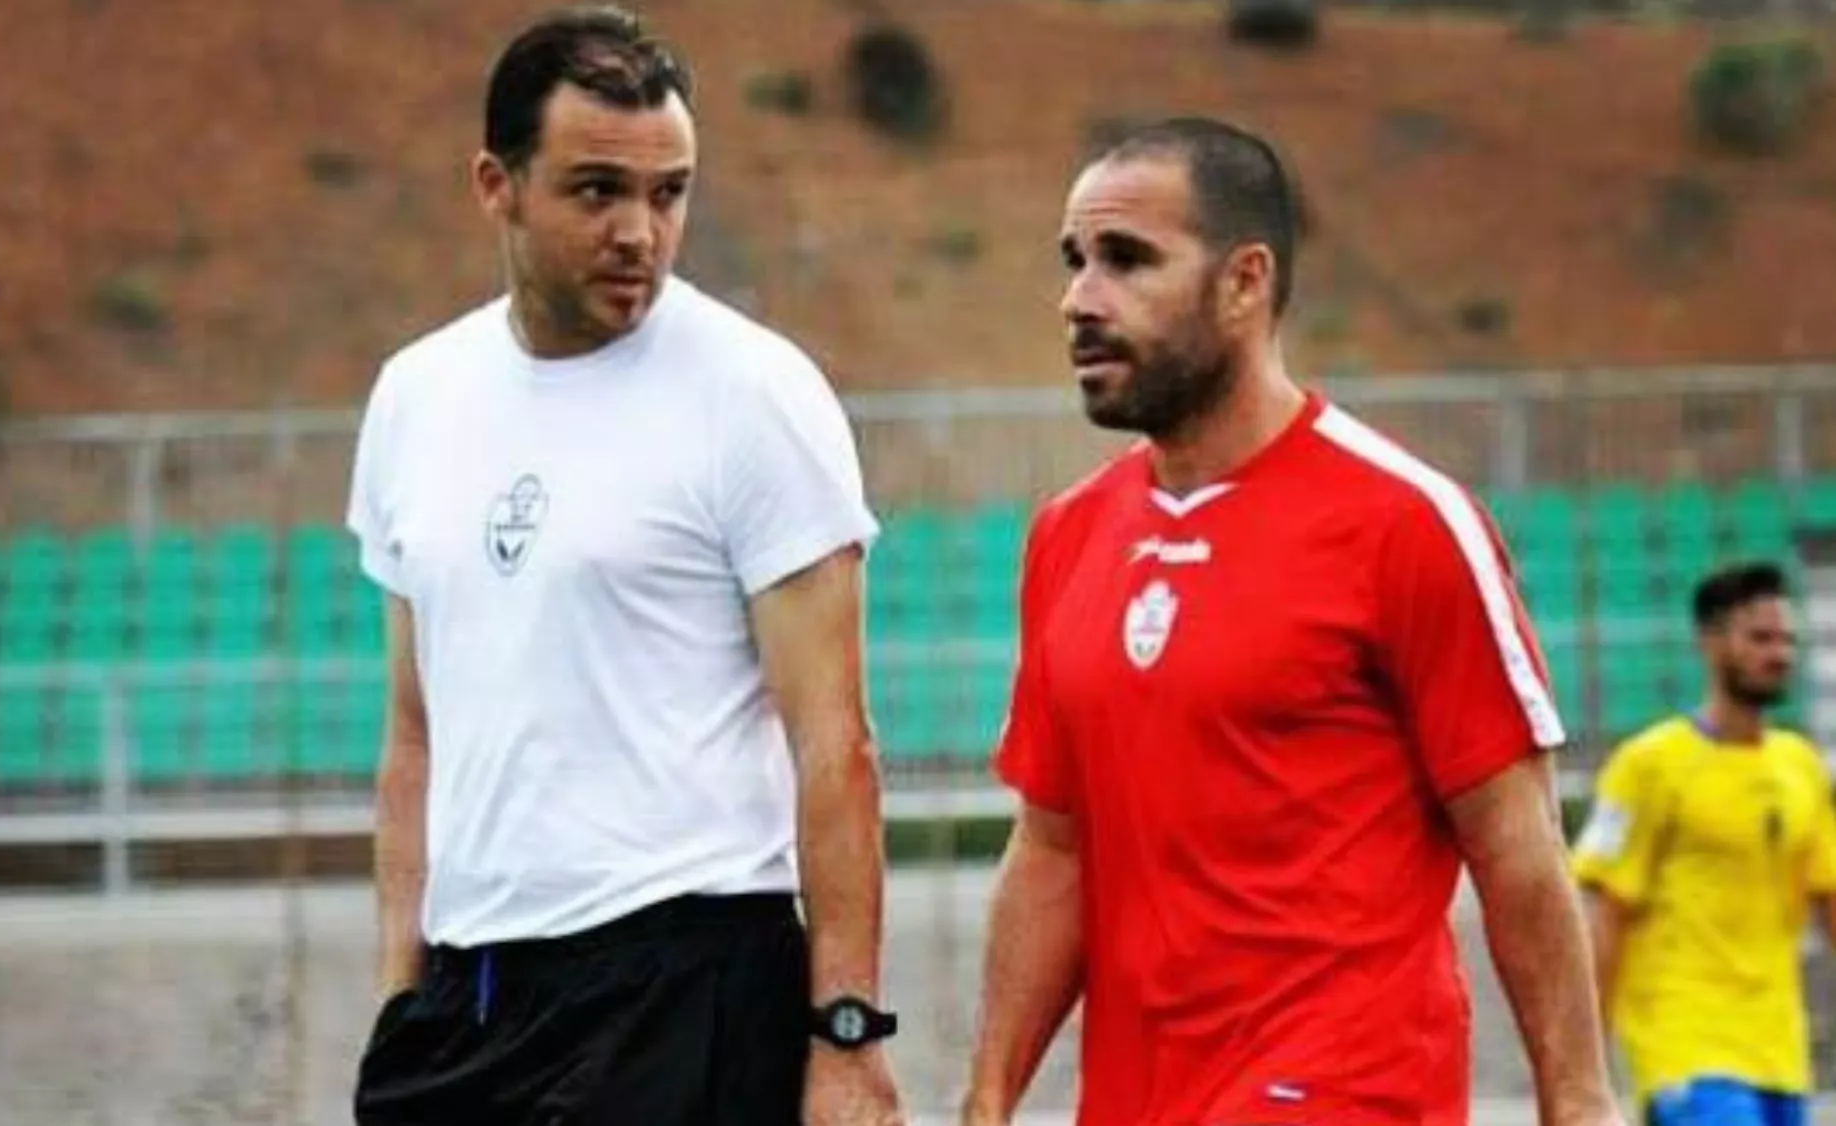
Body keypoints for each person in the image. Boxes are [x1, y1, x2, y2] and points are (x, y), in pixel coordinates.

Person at [956, 115, 1624, 1126]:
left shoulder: (1404, 521)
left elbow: (1515, 841)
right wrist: (988, 1097)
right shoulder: (1070, 536)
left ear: (1244, 281)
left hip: (1344, 1089)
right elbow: (1054, 850)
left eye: (1127, 260)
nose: (1080, 299)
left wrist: (1578, 1101)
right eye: (1075, 260)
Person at [341, 7, 904, 1124]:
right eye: (597, 190)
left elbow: (835, 743)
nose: (640, 231)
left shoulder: (753, 394)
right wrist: (401, 999)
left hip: (683, 979)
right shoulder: (416, 393)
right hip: (469, 999)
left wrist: (846, 1036)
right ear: (496, 185)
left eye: (669, 191)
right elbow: (415, 738)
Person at [1571, 561, 1836, 1126]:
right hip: (1685, 1049)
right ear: (1711, 643)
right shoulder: (1647, 766)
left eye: (1788, 638)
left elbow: (1830, 901)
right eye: (1760, 637)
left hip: (1781, 1058)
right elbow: (1608, 919)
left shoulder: (1803, 768)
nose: (1780, 653)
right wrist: (1580, 1073)